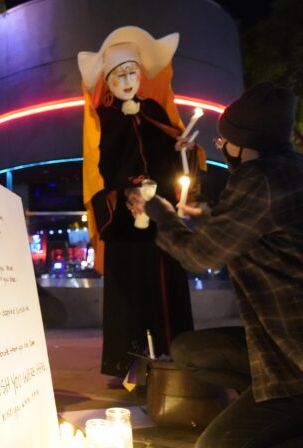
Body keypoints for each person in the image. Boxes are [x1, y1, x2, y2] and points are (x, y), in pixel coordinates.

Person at [126, 82, 303, 446]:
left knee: (210, 446)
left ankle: (283, 415)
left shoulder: (259, 179)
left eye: (224, 141)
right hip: (275, 342)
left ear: (244, 142)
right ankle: (266, 406)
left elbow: (199, 256)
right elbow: (248, 234)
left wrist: (158, 211)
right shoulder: (289, 170)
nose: (223, 148)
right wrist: (206, 216)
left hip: (293, 360)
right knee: (189, 350)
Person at [78, 26, 204, 379]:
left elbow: (174, 159)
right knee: (128, 294)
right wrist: (125, 194)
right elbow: (99, 169)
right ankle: (128, 366)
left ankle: (176, 359)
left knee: (168, 289)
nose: (128, 79)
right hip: (124, 224)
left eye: (132, 71)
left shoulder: (154, 111)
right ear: (109, 81)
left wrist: (182, 149)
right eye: (119, 74)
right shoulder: (103, 119)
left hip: (161, 218)